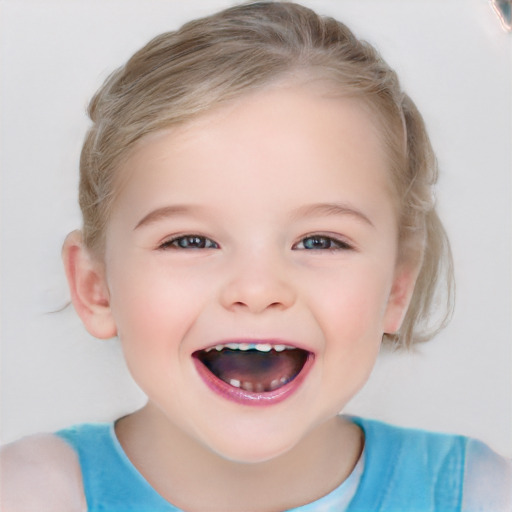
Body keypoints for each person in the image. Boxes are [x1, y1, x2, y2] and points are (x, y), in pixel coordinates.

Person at [1, 2, 511, 510]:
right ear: (96, 287)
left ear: (398, 285)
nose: (258, 289)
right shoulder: (29, 495)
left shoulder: (480, 496)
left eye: (320, 241)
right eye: (190, 241)